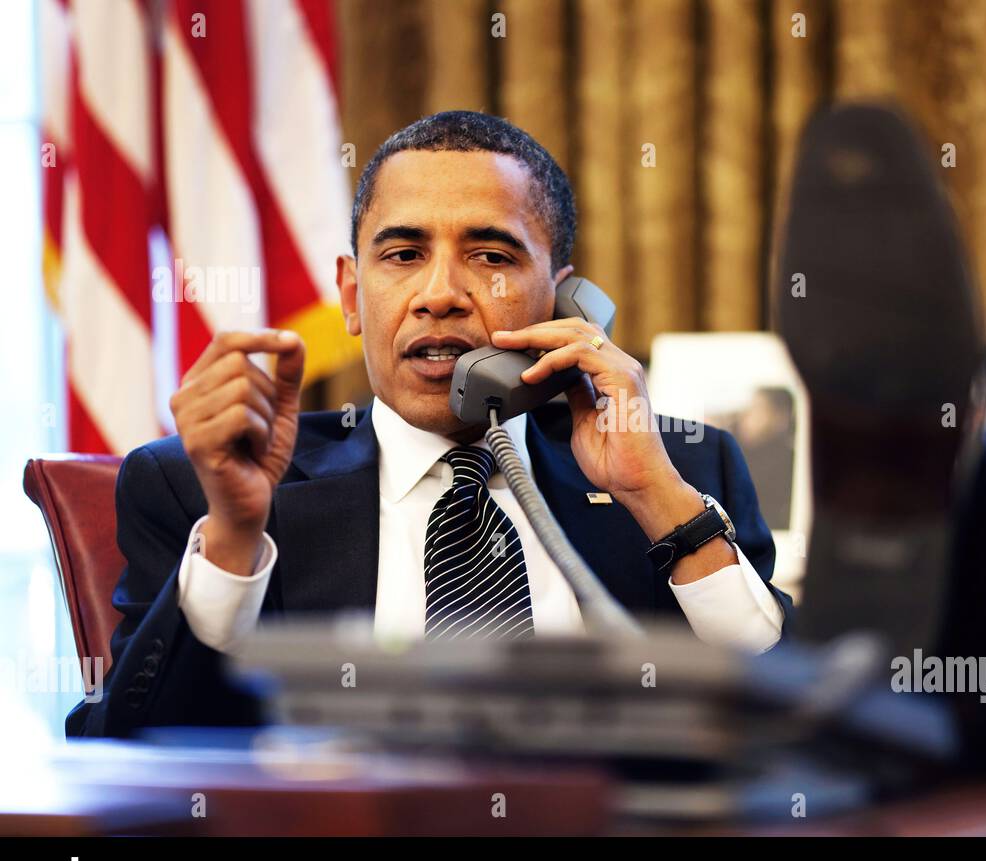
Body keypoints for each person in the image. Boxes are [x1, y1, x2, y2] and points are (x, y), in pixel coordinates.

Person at [69, 111, 791, 738]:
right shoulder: (205, 489)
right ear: (353, 297)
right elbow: (126, 752)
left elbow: (800, 725)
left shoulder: (686, 475)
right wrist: (231, 537)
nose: (439, 294)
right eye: (404, 254)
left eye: (490, 255)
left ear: (564, 301)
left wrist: (655, 496)